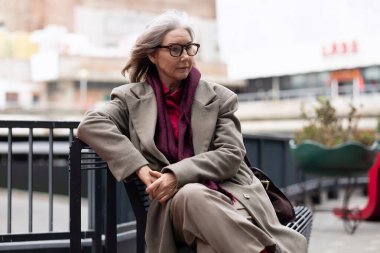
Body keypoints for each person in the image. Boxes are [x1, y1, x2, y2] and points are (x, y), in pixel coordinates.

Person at [77, 10, 307, 253]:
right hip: (175, 209)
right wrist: (139, 167)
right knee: (193, 195)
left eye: (190, 48)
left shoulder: (218, 98)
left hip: (231, 195)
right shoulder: (131, 99)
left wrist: (177, 175)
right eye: (175, 49)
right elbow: (92, 123)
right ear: (153, 54)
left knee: (209, 242)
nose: (185, 57)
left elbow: (230, 154)